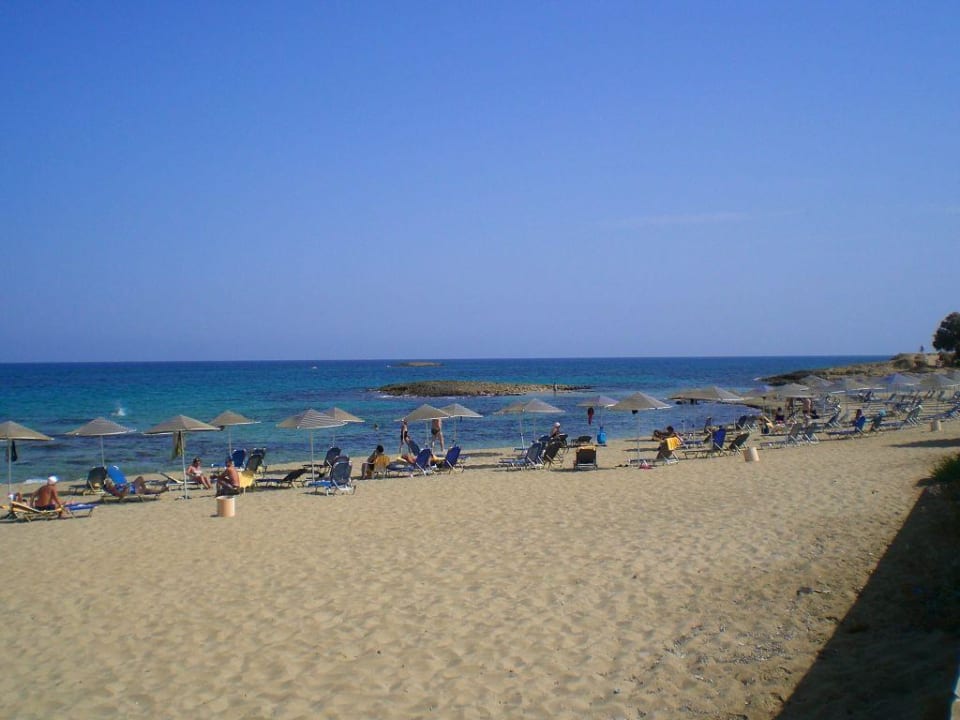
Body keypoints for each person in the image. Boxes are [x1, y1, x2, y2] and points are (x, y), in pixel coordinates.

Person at [103, 475, 167, 498]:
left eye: (111, 482)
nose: (112, 483)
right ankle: (160, 491)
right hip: (133, 491)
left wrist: (126, 485)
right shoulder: (114, 491)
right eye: (110, 484)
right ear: (108, 487)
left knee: (140, 478)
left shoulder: (114, 487)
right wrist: (126, 488)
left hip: (132, 486)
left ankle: (145, 490)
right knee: (145, 489)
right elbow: (122, 495)